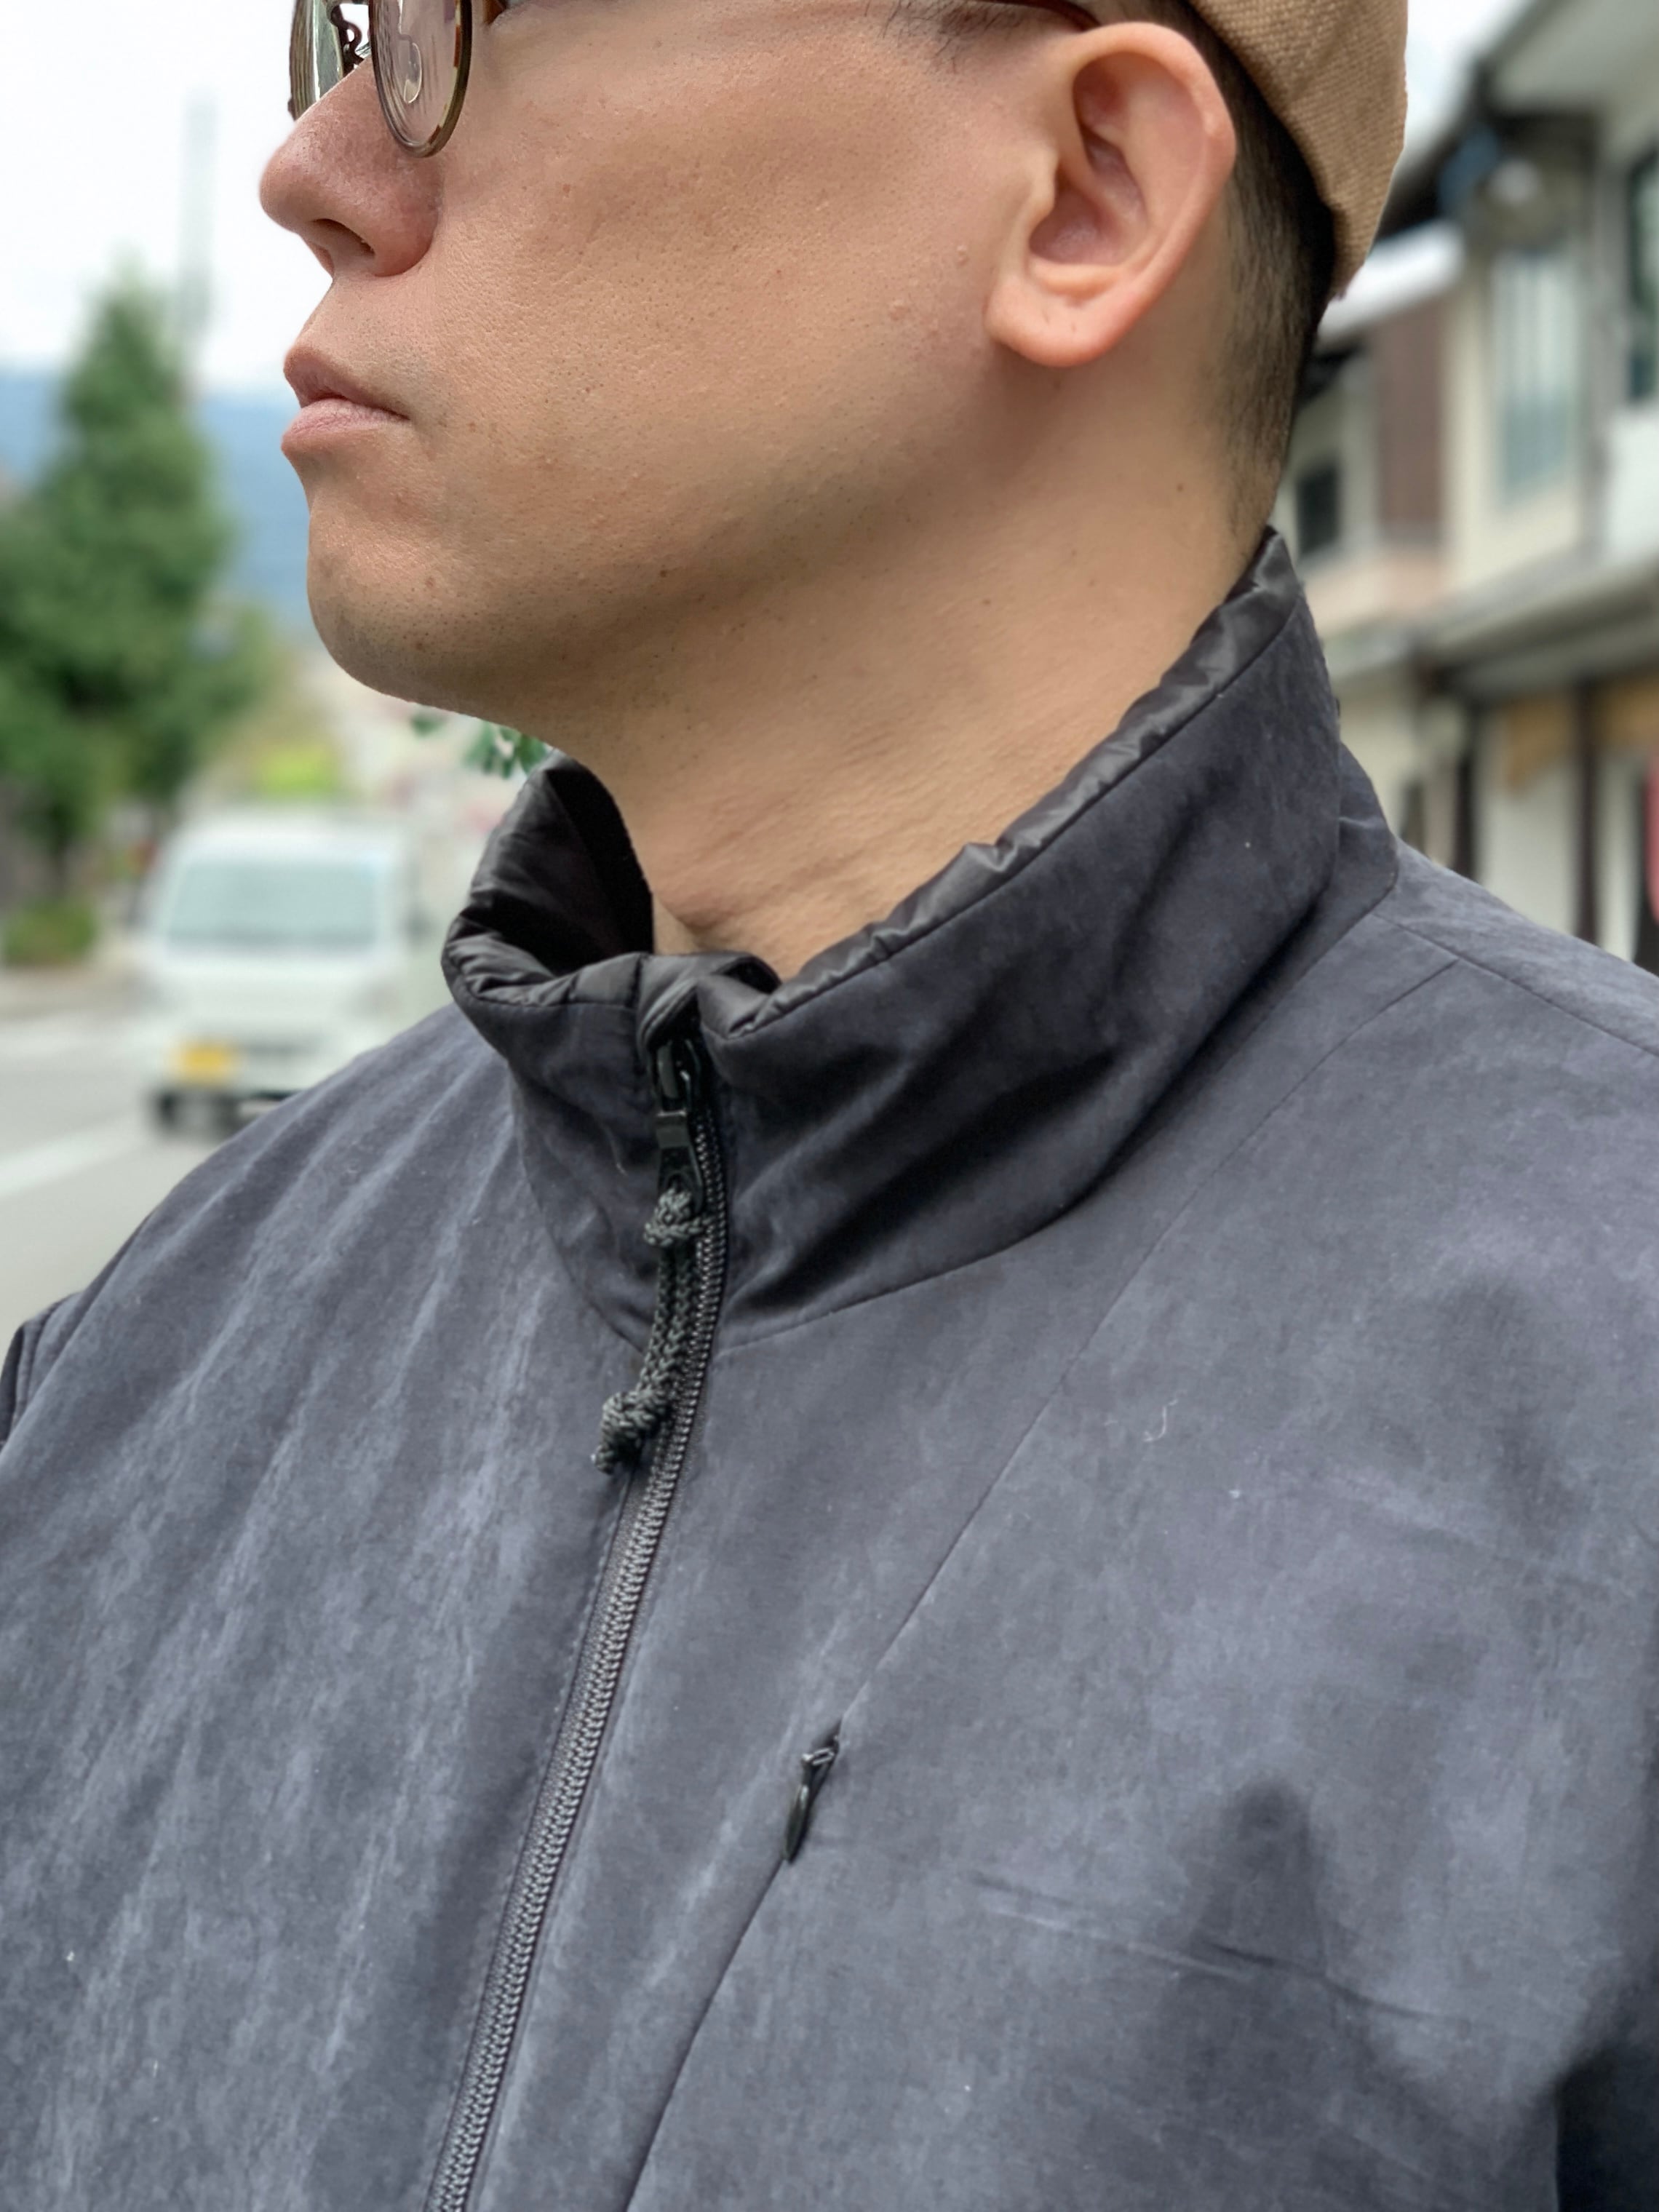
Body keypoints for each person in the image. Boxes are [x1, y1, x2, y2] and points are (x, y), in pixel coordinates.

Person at [3, 0, 1656, 2203]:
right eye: (340, 28)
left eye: (452, 26)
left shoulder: (1609, 1393)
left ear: (1084, 191)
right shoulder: (151, 1358)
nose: (316, 170)